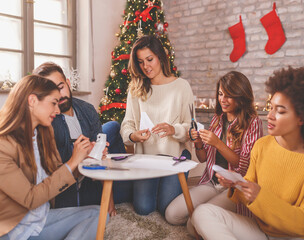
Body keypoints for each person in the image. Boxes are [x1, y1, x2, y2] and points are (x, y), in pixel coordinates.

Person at [191, 66, 304, 240]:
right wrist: (236, 185)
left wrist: (259, 196)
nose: (270, 116)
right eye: (271, 107)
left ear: (303, 117)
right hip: (262, 230)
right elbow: (248, 191)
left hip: (300, 236)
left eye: (280, 111)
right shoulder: (262, 146)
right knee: (202, 213)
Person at [0, 75, 100, 240]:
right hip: (13, 231)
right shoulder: (4, 145)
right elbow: (30, 199)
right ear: (32, 101)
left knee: (97, 214)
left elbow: (58, 177)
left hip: (39, 221)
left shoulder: (42, 133)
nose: (58, 110)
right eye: (54, 103)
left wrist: (83, 159)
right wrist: (72, 161)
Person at [166, 71, 263, 229]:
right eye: (220, 94)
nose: (222, 100)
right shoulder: (218, 119)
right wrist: (197, 142)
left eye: (228, 95)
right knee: (172, 214)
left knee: (193, 226)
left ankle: (221, 218)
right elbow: (203, 158)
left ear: (240, 96)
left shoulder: (253, 123)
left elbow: (245, 165)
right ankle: (214, 217)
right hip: (211, 182)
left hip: (234, 188)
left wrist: (218, 143)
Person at [33, 62, 126, 216]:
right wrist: (85, 158)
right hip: (74, 188)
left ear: (68, 83)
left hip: (94, 176)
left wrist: (109, 199)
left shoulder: (87, 109)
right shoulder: (47, 123)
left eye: (61, 87)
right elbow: (55, 182)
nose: (59, 96)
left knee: (114, 127)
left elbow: (101, 158)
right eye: (51, 93)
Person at [119, 35, 194, 216]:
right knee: (144, 208)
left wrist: (173, 129)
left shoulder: (181, 87)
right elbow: (127, 124)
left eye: (150, 59)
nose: (146, 66)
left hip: (174, 156)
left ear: (161, 56)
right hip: (146, 158)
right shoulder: (136, 87)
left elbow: (191, 129)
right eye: (141, 61)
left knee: (166, 207)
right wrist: (132, 136)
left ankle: (164, 183)